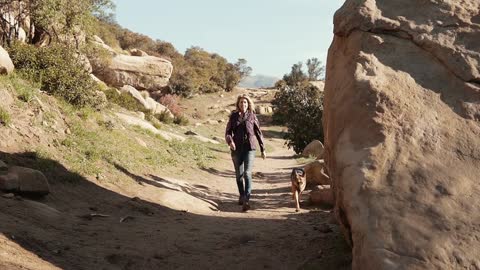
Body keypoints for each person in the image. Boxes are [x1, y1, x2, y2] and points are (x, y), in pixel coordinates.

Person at [225, 94, 266, 212]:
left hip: (250, 148)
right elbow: (228, 132)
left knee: (247, 173)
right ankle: (241, 195)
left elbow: (258, 133)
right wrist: (230, 142)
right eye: (241, 102)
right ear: (238, 104)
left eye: (245, 102)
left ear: (248, 104)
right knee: (239, 175)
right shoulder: (233, 116)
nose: (243, 104)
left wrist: (263, 149)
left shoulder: (252, 116)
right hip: (236, 149)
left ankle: (247, 199)